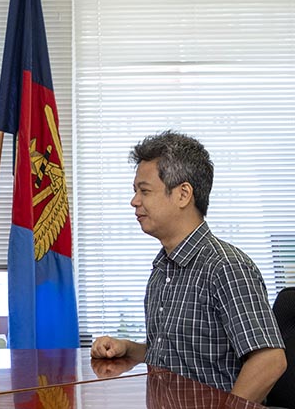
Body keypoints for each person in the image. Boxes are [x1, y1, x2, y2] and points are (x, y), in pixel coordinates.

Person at [90, 131, 286, 403]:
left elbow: (270, 360)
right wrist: (128, 348)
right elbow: (178, 356)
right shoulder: (162, 269)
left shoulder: (226, 267)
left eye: (144, 191)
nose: (134, 201)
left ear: (183, 194)